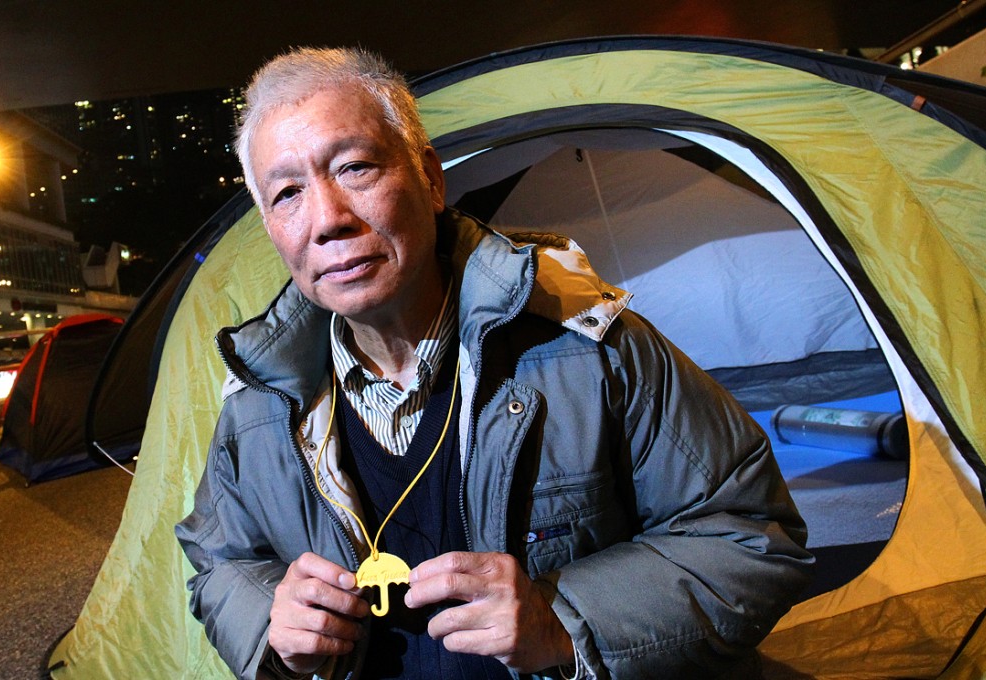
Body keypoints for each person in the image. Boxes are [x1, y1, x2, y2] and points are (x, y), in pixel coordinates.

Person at [175, 46, 814, 680]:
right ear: (269, 226)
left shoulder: (589, 350)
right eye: (287, 193)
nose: (327, 220)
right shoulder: (261, 401)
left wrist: (563, 618)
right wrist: (270, 623)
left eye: (355, 168)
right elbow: (218, 560)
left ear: (429, 177)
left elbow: (753, 536)